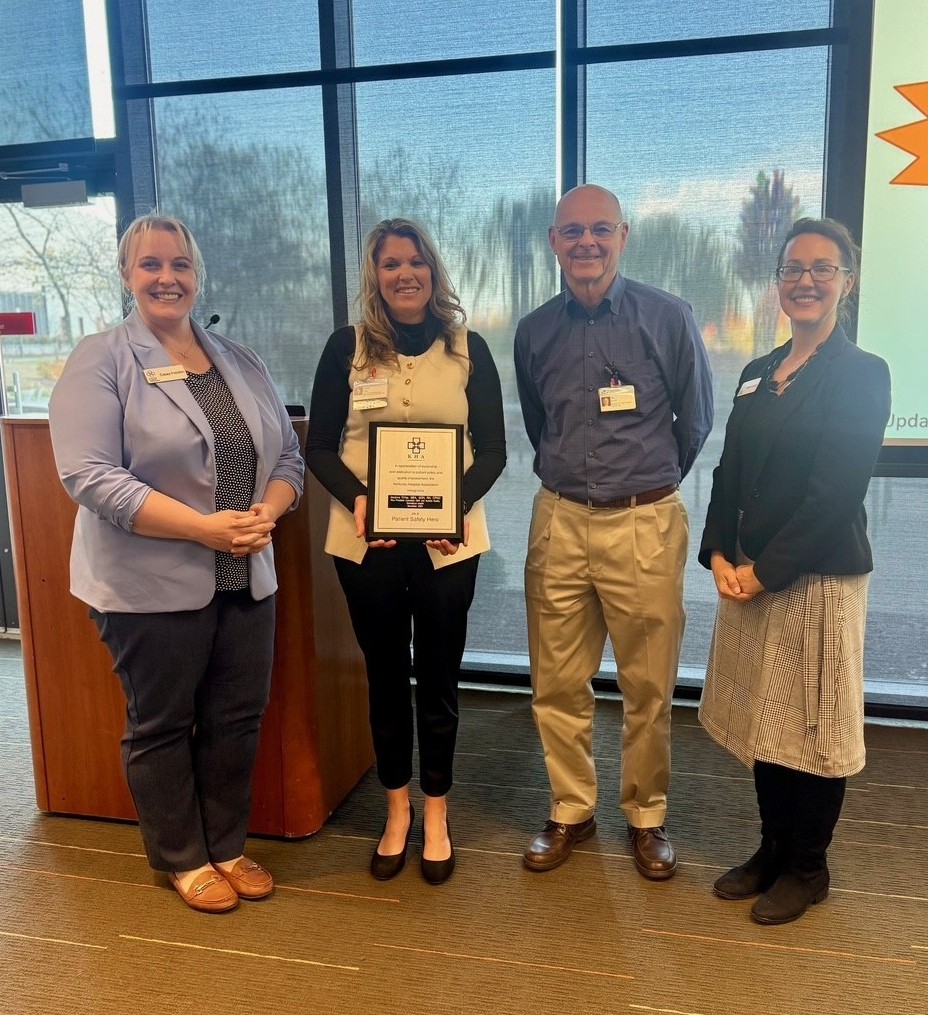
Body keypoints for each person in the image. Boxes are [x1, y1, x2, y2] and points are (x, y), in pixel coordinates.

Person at [49, 214, 304, 914]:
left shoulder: (239, 359)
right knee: (161, 722)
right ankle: (184, 857)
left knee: (237, 717)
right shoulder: (101, 359)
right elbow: (89, 475)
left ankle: (227, 846)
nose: (167, 278)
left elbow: (286, 456)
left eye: (180, 265)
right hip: (146, 582)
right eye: (151, 265)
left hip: (245, 573)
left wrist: (267, 513)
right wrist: (203, 528)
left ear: (198, 275)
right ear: (126, 275)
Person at [514, 184, 713, 879]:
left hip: (644, 519)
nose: (587, 243)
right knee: (556, 682)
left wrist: (647, 482)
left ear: (624, 236)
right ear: (553, 242)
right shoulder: (535, 331)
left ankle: (647, 815)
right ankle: (571, 807)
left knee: (648, 685)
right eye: (572, 231)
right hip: (560, 518)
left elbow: (696, 419)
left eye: (601, 229)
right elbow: (540, 424)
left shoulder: (668, 316)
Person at [698, 217, 891, 925]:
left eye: (822, 268)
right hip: (750, 572)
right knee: (766, 719)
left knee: (814, 727)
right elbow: (727, 471)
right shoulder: (758, 371)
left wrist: (763, 572)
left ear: (848, 280)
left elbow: (835, 492)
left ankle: (809, 867)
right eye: (792, 268)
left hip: (818, 580)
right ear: (777, 280)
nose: (805, 280)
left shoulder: (862, 373)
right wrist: (719, 553)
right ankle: (772, 849)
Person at [307, 217, 506, 885]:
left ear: (433, 270)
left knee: (441, 679)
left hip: (451, 542)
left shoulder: (469, 348)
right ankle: (397, 809)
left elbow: (494, 449)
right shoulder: (346, 348)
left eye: (415, 261)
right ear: (376, 274)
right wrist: (359, 498)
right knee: (386, 676)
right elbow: (319, 447)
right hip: (365, 540)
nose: (404, 274)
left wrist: (456, 505)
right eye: (390, 263)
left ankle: (437, 810)